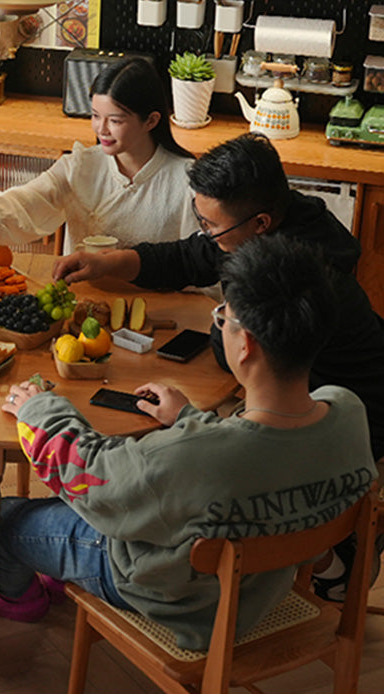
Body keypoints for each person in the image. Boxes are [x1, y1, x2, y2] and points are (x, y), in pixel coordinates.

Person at [0, 236, 377, 650]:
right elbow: (251, 450)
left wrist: (40, 410)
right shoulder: (347, 411)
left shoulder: (193, 457)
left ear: (244, 344)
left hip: (185, 601)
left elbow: (91, 477)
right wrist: (189, 418)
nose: (220, 322)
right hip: (266, 586)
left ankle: (15, 599)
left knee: (5, 519)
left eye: (222, 316)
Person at [53, 132, 384, 464]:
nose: (206, 233)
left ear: (260, 224)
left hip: (344, 428)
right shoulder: (271, 222)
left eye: (211, 225)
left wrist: (189, 416)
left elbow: (236, 357)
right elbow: (187, 258)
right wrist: (106, 262)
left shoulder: (292, 278)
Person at [0, 57, 198, 254]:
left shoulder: (187, 180)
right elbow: (28, 199)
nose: (101, 129)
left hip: (157, 312)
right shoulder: (82, 166)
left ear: (151, 121)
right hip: (81, 305)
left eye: (115, 120)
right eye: (96, 116)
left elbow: (200, 268)